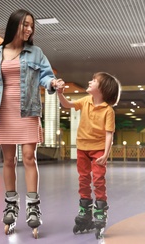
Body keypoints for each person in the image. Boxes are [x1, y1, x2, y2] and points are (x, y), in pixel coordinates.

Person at [0, 9, 63, 238]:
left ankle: (33, 206)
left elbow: (45, 76)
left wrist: (53, 83)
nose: (29, 29)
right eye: (25, 24)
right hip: (4, 110)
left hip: (28, 110)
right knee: (7, 159)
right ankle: (10, 204)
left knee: (28, 156)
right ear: (14, 25)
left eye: (31, 26)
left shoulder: (36, 52)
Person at [56, 72, 121, 239]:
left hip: (98, 149)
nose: (89, 81)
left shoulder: (108, 111)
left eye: (94, 81)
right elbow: (67, 105)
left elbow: (109, 134)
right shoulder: (85, 101)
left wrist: (106, 153)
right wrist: (60, 93)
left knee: (98, 180)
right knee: (83, 179)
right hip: (82, 147)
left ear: (102, 89)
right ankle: (85, 211)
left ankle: (100, 211)